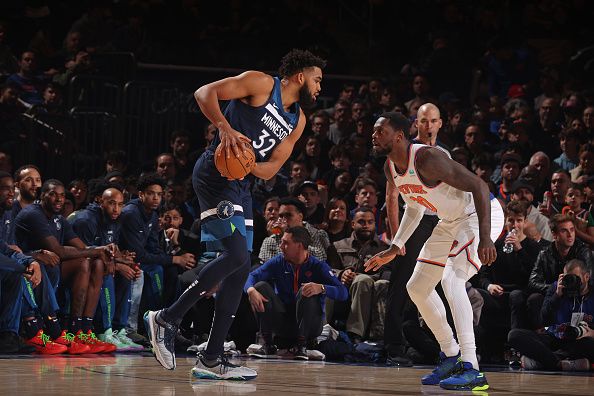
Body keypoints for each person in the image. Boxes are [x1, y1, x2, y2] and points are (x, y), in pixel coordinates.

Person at [144, 49, 326, 380]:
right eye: (317, 80)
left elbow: (272, 167)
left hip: (241, 184)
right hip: (215, 172)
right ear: (300, 76)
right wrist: (225, 129)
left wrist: (246, 160)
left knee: (241, 268)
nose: (318, 88)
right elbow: (204, 93)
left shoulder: (297, 120)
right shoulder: (259, 83)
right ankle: (165, 319)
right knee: (236, 253)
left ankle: (212, 359)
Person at [364, 112, 504, 391]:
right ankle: (451, 354)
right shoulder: (391, 168)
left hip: (478, 215)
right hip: (450, 221)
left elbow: (479, 185)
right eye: (374, 131)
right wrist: (396, 245)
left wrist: (486, 238)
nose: (374, 135)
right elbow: (414, 207)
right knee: (416, 287)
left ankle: (472, 367)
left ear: (399, 136)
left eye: (380, 131)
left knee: (452, 280)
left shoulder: (427, 158)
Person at [383, 103, 443, 366]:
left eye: (432, 121)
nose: (428, 125)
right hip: (414, 222)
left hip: (440, 223)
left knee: (438, 283)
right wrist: (398, 238)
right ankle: (394, 346)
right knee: (401, 282)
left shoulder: (442, 153)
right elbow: (392, 197)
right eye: (423, 121)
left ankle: (440, 347)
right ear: (415, 124)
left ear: (440, 123)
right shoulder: (403, 154)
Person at [246, 226, 347, 359]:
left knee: (306, 290)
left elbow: (343, 292)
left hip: (310, 327)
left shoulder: (318, 266)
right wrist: (250, 290)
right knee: (260, 286)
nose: (281, 246)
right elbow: (252, 276)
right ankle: (268, 344)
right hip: (284, 323)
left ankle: (302, 346)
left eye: (285, 243)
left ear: (299, 246)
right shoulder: (278, 261)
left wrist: (321, 288)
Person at [508, 259, 594, 371]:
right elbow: (544, 319)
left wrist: (592, 333)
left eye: (576, 278)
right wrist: (557, 295)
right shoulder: (556, 288)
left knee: (589, 344)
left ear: (587, 277)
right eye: (568, 278)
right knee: (514, 335)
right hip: (554, 337)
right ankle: (560, 363)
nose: (571, 282)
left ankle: (543, 361)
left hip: (579, 342)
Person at [327, 207, 390, 343]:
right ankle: (354, 335)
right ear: (353, 224)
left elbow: (387, 273)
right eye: (361, 221)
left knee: (363, 280)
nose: (366, 225)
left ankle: (362, 335)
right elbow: (329, 270)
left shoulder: (384, 249)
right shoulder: (337, 246)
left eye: (370, 222)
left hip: (373, 291)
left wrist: (363, 277)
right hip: (344, 291)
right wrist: (341, 274)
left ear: (375, 224)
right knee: (361, 280)